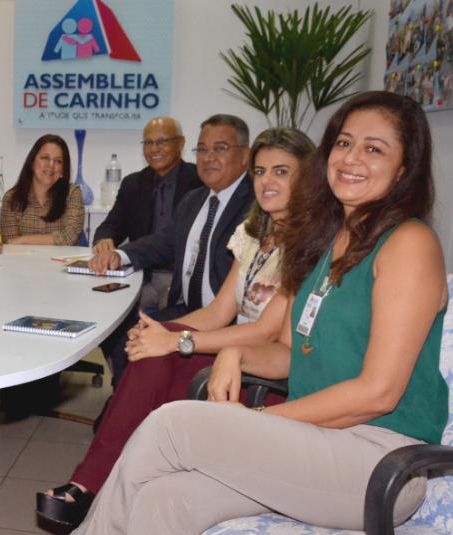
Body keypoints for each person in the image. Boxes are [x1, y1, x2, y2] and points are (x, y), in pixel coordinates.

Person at [74, 91, 448, 534]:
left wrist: (258, 421)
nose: (351, 158)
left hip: (377, 459)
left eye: (374, 149)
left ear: (404, 168)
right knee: (165, 498)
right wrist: (236, 355)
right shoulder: (328, 244)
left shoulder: (408, 244)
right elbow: (289, 352)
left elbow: (378, 393)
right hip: (316, 441)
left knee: (171, 426)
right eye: (345, 143)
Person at [37, 127, 315, 528]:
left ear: (308, 177)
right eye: (260, 172)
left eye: (281, 172)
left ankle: (96, 487)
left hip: (259, 372)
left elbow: (264, 334)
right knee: (149, 354)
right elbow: (219, 311)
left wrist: (176, 340)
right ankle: (96, 485)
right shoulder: (255, 233)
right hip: (231, 351)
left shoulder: (310, 244)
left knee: (156, 366)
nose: (266, 181)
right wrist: (161, 331)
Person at [91, 114, 255, 381]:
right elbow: (164, 242)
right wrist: (120, 254)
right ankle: (129, 400)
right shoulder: (195, 199)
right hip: (187, 306)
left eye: (220, 148)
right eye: (202, 149)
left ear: (245, 156)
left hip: (227, 320)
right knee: (125, 337)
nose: (208, 157)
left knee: (140, 344)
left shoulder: (256, 206)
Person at [92, 117, 201, 310]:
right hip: (140, 274)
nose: (154, 149)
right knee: (101, 306)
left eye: (162, 141)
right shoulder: (133, 184)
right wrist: (104, 239)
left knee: (165, 321)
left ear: (181, 143)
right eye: (148, 143)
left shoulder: (199, 182)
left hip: (179, 278)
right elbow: (112, 225)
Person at [0, 135, 84, 245]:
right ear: (32, 162)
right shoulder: (12, 199)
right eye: (45, 158)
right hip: (24, 257)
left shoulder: (72, 193)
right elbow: (10, 244)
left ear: (63, 170)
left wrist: (23, 240)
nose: (51, 165)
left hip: (62, 257)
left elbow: (69, 238)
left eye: (58, 161)